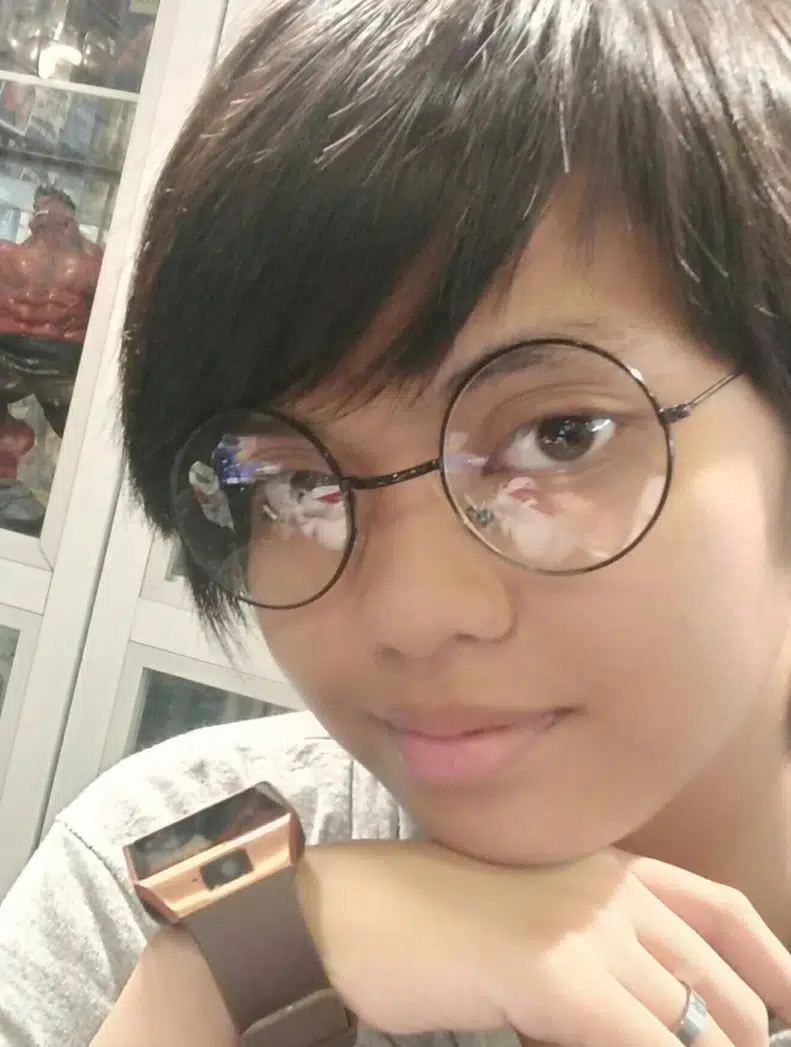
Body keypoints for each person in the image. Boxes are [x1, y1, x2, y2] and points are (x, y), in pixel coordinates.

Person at [2, 0, 791, 1044]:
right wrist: (227, 983)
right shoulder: (176, 872)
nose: (410, 613)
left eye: (557, 436)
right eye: (292, 481)